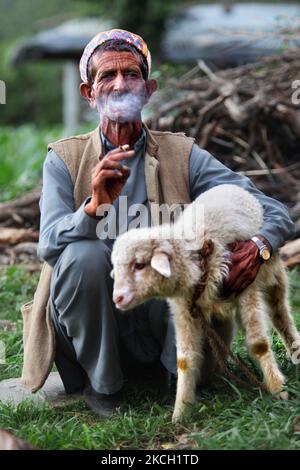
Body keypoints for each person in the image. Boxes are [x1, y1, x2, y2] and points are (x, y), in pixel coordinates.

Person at [22, 29, 295, 418]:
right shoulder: (65, 159)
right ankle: (104, 387)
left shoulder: (182, 154)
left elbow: (269, 207)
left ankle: (175, 377)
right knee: (81, 255)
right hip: (96, 328)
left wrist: (262, 244)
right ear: (89, 93)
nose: (120, 85)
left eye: (131, 75)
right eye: (107, 76)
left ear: (148, 89)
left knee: (185, 252)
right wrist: (92, 206)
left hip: (170, 323)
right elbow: (48, 245)